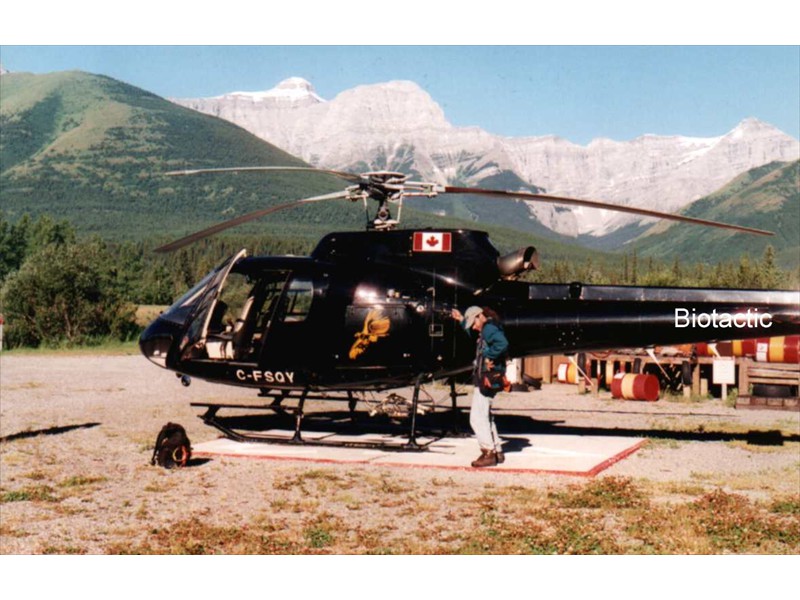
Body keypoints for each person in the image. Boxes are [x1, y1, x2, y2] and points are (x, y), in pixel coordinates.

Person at [451, 305, 508, 467]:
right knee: (486, 416)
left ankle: (488, 452)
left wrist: (488, 356)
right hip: (492, 377)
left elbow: (502, 344)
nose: (474, 328)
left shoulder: (488, 329)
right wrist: (461, 320)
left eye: (473, 324)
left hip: (487, 377)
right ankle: (497, 450)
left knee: (476, 417)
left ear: (479, 317)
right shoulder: (489, 326)